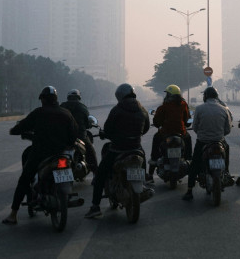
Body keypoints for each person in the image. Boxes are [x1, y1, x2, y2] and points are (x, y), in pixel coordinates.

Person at [2, 86, 77, 225]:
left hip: (40, 154)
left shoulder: (38, 113)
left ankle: (13, 214)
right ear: (55, 99)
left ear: (43, 99)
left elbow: (21, 127)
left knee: (24, 180)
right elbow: (74, 135)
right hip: (61, 154)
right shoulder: (66, 113)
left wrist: (14, 130)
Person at [84, 83, 150, 219]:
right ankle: (145, 182)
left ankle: (95, 207)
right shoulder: (142, 109)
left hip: (118, 150)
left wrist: (104, 134)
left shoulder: (117, 109)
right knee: (143, 164)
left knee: (100, 175)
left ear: (119, 95)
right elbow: (147, 127)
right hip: (136, 148)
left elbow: (108, 130)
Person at [182, 86, 233, 201]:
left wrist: (203, 134)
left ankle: (189, 190)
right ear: (216, 97)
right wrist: (219, 135)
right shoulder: (224, 109)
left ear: (205, 97)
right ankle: (227, 173)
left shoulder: (199, 109)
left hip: (203, 142)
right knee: (227, 148)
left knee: (194, 165)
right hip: (219, 141)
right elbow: (228, 129)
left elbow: (195, 127)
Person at [148, 84, 192, 182]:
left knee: (156, 140)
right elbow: (187, 120)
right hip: (181, 132)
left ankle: (150, 174)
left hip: (165, 133)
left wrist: (159, 125)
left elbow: (156, 122)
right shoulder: (184, 104)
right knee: (188, 139)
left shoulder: (163, 106)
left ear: (169, 95)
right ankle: (189, 159)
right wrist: (186, 125)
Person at [61, 89, 98, 173]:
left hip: (64, 137)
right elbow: (88, 123)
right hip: (80, 136)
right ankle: (96, 173)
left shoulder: (62, 106)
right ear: (78, 97)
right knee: (91, 152)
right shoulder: (82, 107)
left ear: (68, 97)